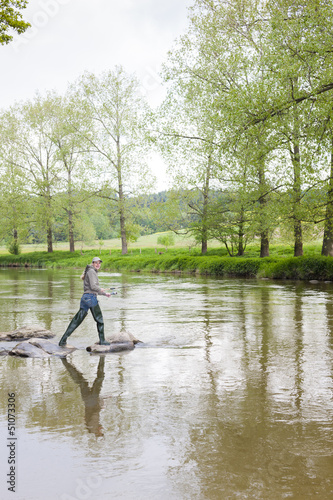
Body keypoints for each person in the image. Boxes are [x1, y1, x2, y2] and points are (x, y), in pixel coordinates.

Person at [59, 257, 111, 346]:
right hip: (91, 298)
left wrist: (105, 294)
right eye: (96, 263)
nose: (98, 264)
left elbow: (92, 289)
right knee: (100, 320)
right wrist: (100, 289)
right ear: (92, 263)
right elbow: (94, 287)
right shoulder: (91, 272)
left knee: (76, 320)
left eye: (99, 263)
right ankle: (102, 341)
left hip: (85, 298)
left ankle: (63, 340)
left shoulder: (90, 271)